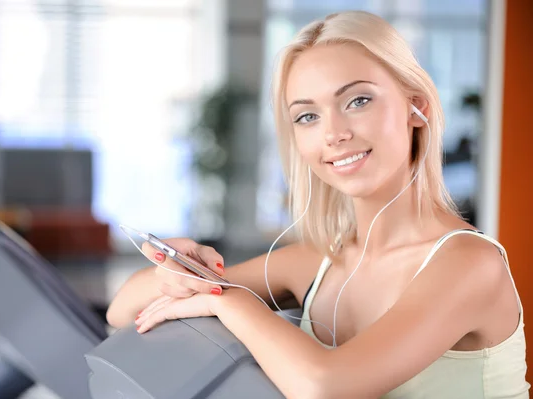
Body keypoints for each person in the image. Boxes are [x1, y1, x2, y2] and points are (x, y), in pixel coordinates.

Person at [106, 10, 529, 398]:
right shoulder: (317, 262)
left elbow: (326, 387)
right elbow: (123, 309)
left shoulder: (470, 264)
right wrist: (180, 269)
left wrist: (227, 300)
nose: (334, 133)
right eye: (308, 116)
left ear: (415, 107)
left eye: (357, 100)